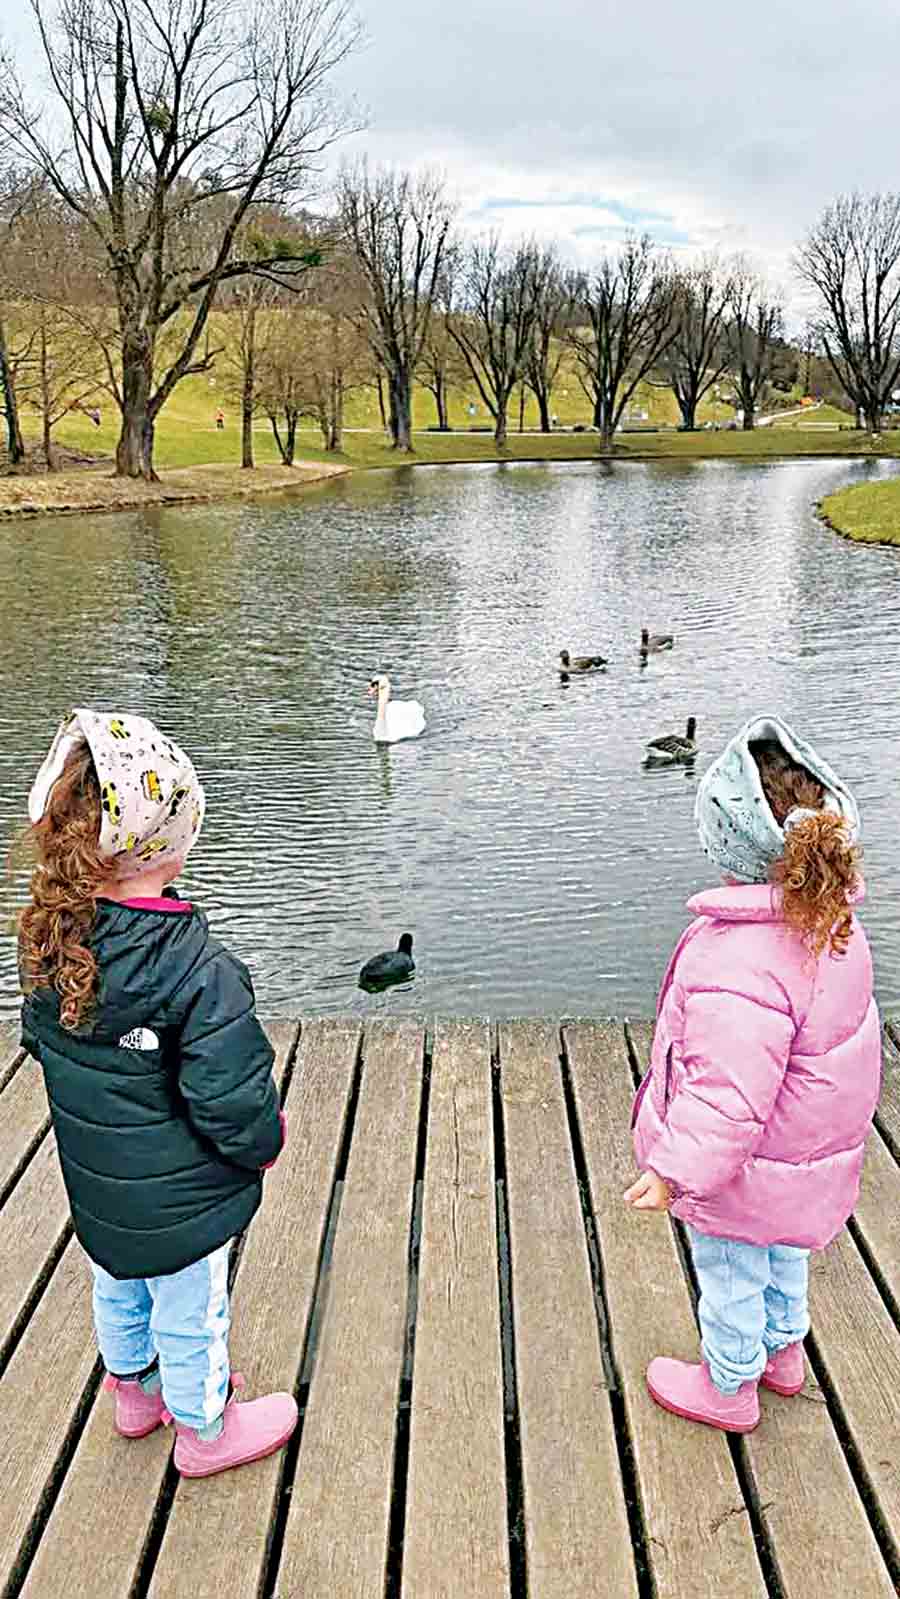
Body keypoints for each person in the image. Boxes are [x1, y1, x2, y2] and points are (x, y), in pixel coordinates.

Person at [18, 710, 297, 1477]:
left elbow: (39, 1039)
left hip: (99, 1186)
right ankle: (206, 1429)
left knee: (118, 1283)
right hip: (182, 1201)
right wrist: (265, 1142)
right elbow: (231, 1099)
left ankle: (135, 1396)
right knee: (190, 1307)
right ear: (169, 846)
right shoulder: (199, 970)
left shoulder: (50, 935)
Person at [626, 715, 881, 1433]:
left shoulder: (738, 960)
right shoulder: (836, 927)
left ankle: (729, 1384)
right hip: (799, 1158)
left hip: (743, 1169)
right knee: (782, 1249)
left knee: (732, 1268)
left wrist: (674, 1170)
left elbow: (726, 1098)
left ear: (727, 843)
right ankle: (784, 1353)